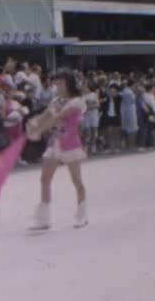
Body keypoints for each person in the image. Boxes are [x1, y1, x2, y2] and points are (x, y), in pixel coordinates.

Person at [26, 71, 89, 230]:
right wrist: (33, 123)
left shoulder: (77, 102)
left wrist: (38, 130)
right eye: (56, 83)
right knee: (44, 179)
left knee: (76, 180)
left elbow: (58, 117)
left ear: (69, 83)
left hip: (70, 143)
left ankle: (82, 214)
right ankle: (44, 219)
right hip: (54, 143)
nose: (57, 86)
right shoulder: (56, 100)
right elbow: (45, 115)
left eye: (61, 83)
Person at [100, 84, 122, 154]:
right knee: (109, 132)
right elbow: (102, 107)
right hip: (108, 117)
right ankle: (111, 147)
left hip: (116, 116)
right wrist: (105, 100)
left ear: (116, 92)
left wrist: (113, 97)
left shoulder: (119, 98)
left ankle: (117, 147)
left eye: (113, 91)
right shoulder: (106, 99)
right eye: (110, 91)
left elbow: (120, 99)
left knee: (116, 132)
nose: (111, 93)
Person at [120, 79, 139, 151]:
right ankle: (131, 146)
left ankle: (129, 146)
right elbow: (132, 100)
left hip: (127, 111)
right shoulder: (129, 92)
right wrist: (136, 93)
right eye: (135, 85)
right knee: (132, 129)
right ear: (132, 85)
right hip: (129, 112)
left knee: (129, 129)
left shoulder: (126, 91)